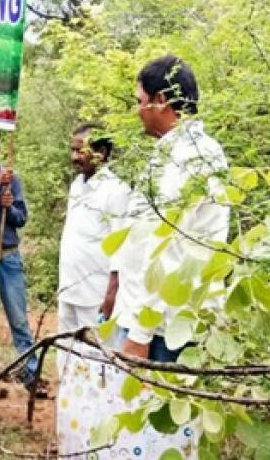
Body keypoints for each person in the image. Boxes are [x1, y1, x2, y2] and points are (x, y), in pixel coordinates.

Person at [104, 55, 230, 362]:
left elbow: (164, 245)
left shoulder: (193, 156)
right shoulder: (169, 152)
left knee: (151, 407)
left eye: (140, 101)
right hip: (148, 320)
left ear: (160, 101)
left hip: (165, 330)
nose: (137, 111)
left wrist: (140, 334)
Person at [0, 128, 44, 396]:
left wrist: (8, 205)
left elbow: (21, 219)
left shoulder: (12, 180)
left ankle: (31, 372)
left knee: (18, 317)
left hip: (8, 257)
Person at [56, 123, 129, 374]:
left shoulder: (117, 191)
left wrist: (111, 293)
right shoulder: (77, 184)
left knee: (96, 362)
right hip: (68, 287)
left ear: (102, 153)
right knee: (65, 356)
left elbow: (122, 247)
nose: (74, 157)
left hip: (95, 294)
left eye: (81, 151)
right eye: (73, 150)